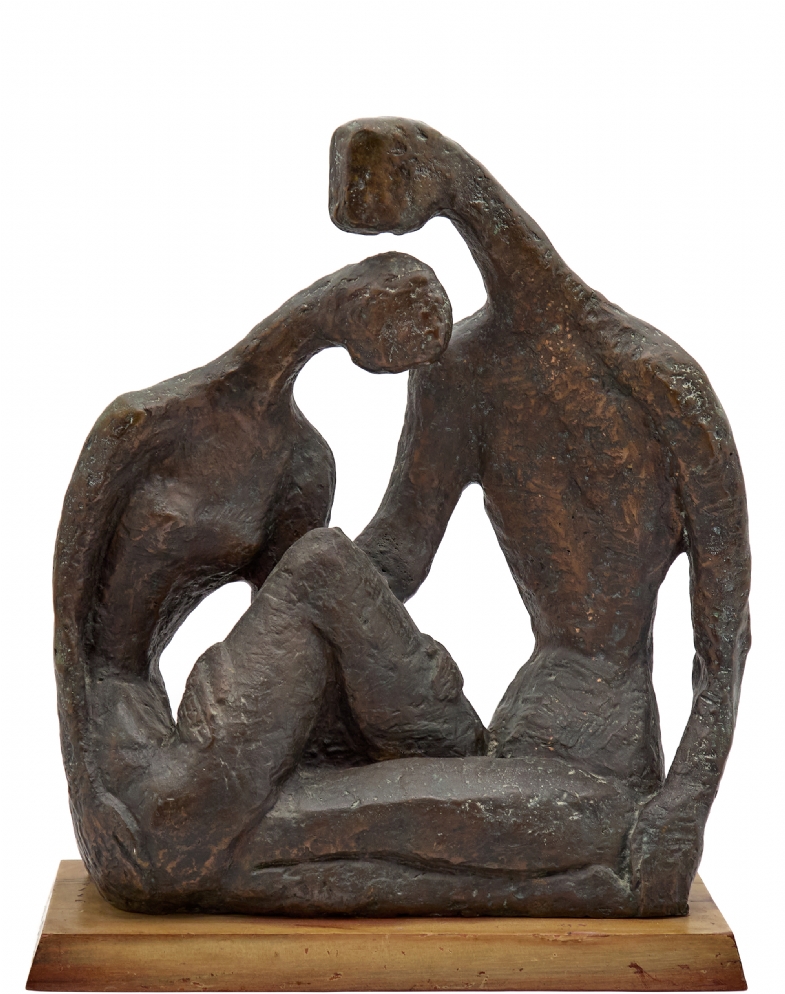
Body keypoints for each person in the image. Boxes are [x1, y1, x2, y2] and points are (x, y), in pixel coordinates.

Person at [327, 117, 751, 916]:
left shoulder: (656, 382)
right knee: (315, 594)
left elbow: (723, 637)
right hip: (511, 734)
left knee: (340, 831)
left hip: (601, 753)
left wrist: (684, 800)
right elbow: (399, 553)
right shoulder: (459, 371)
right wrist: (288, 574)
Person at [55, 252, 487, 911]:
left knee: (319, 568)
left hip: (204, 755)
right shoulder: (144, 425)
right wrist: (90, 795)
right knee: (322, 562)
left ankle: (453, 751)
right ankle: (459, 744)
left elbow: (296, 653)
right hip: (133, 776)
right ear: (349, 306)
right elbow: (69, 626)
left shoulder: (303, 465)